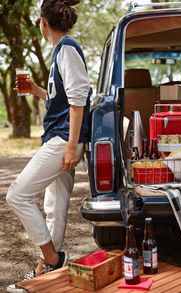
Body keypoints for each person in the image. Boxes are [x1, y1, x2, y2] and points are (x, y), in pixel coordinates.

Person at [6, 0, 90, 291]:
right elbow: (64, 98)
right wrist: (37, 90)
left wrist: (69, 147)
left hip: (64, 138)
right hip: (64, 137)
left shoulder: (67, 49)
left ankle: (54, 258)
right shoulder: (61, 51)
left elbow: (79, 99)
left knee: (17, 195)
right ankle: (49, 270)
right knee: (55, 206)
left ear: (43, 23)